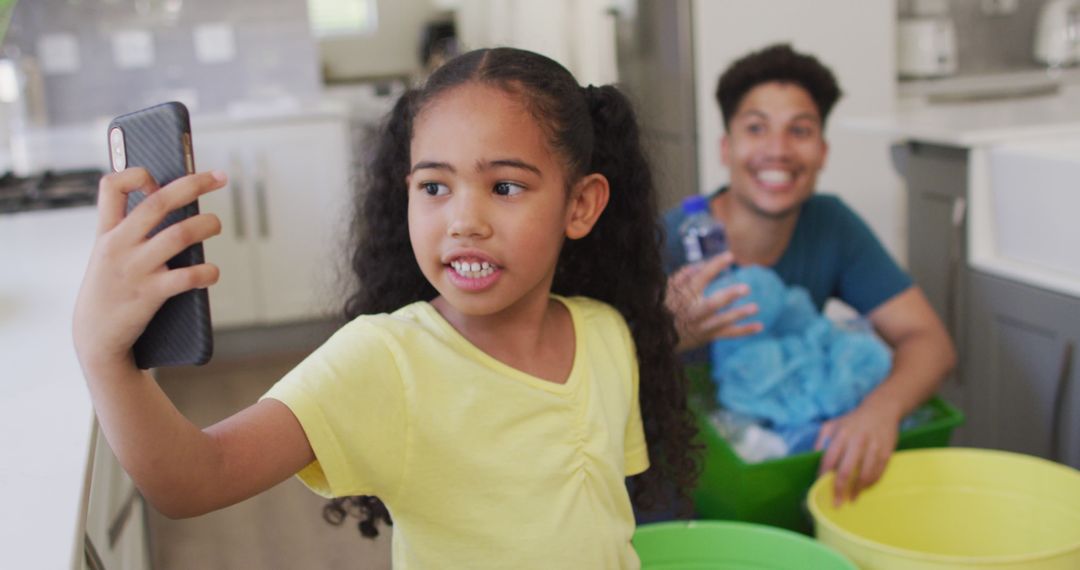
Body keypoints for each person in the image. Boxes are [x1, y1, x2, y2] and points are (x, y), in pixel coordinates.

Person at [73, 47, 698, 568]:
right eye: (434, 187)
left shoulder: (607, 334)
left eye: (505, 187)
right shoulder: (385, 360)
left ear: (581, 206)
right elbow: (192, 479)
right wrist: (102, 354)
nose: (464, 221)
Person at [662, 44, 956, 505]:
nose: (777, 151)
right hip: (688, 479)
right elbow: (579, 377)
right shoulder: (670, 241)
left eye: (799, 131)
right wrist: (666, 336)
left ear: (821, 152)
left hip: (788, 474)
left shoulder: (831, 224)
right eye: (756, 128)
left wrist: (880, 411)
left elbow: (929, 341)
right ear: (726, 147)